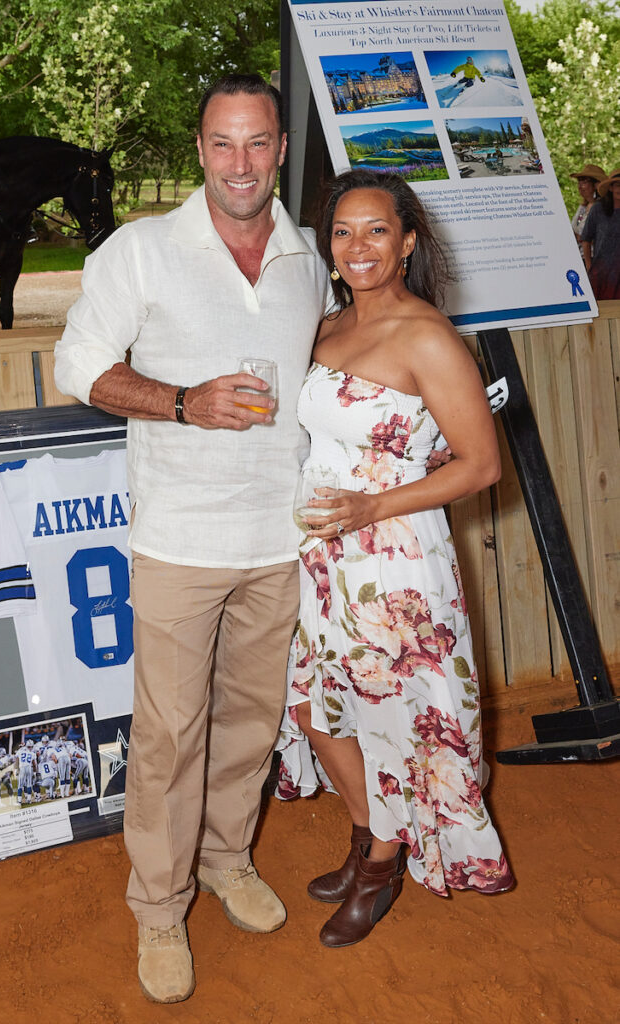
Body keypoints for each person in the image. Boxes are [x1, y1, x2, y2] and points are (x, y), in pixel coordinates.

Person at [54, 74, 331, 1004]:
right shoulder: (141, 250)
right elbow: (78, 364)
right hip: (177, 536)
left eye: (257, 143)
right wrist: (180, 401)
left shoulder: (307, 259)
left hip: (277, 534)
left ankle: (225, 860)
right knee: (171, 735)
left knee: (250, 725)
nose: (240, 163)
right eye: (222, 144)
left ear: (281, 150)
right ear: (199, 149)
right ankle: (160, 908)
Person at [275, 169, 514, 949]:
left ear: (407, 241)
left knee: (384, 714)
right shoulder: (321, 326)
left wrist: (370, 508)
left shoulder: (426, 336)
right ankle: (368, 831)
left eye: (376, 230)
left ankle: (380, 863)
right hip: (318, 559)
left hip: (393, 560)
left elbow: (480, 466)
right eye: (343, 232)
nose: (357, 246)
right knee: (316, 707)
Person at [581, 167, 620, 300]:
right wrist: (588, 265)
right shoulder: (598, 209)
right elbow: (585, 238)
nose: (619, 189)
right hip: (600, 274)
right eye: (617, 185)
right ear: (610, 188)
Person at [569, 163, 606, 257]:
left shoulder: (602, 208)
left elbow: (603, 237)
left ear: (595, 185)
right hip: (579, 257)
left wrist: (581, 238)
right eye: (579, 182)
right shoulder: (583, 207)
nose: (580, 186)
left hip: (595, 258)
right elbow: (575, 229)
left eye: (584, 182)